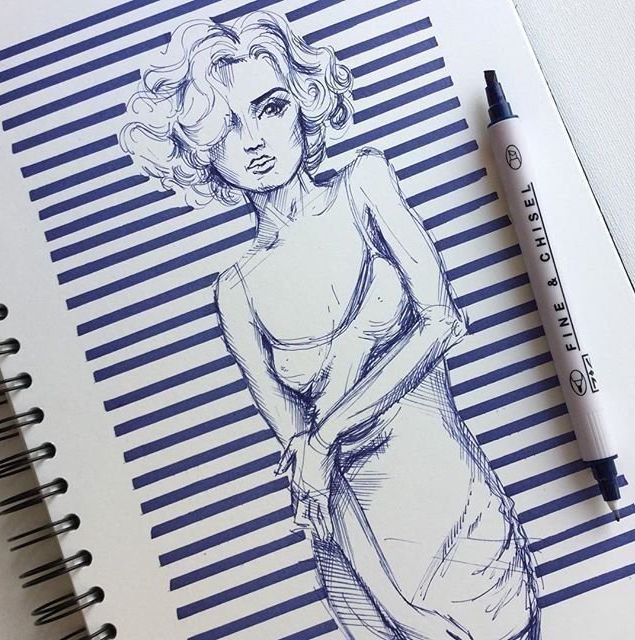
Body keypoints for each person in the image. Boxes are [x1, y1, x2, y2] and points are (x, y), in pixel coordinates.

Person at [121, 11, 541, 640]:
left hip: (462, 514)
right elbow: (309, 474)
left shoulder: (364, 185)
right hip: (361, 561)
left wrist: (326, 435)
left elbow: (440, 323)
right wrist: (401, 613)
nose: (255, 141)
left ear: (304, 103)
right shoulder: (236, 291)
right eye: (226, 127)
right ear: (200, 150)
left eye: (269, 108)